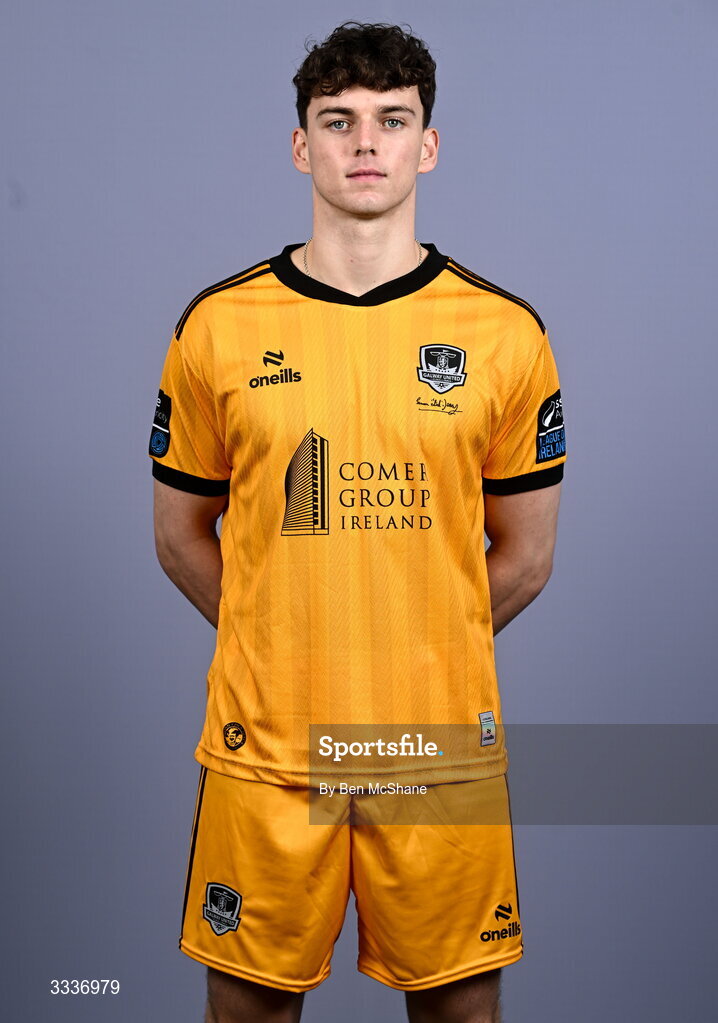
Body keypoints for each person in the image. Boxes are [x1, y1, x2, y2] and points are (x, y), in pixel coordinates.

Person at [148, 20, 566, 1023]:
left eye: (391, 120)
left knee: (459, 1009)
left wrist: (418, 654)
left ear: (427, 145)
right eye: (337, 122)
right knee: (247, 1009)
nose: (364, 143)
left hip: (435, 752)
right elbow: (177, 535)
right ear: (302, 146)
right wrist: (278, 641)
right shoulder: (218, 325)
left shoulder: (504, 334)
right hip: (269, 751)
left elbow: (526, 556)